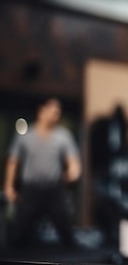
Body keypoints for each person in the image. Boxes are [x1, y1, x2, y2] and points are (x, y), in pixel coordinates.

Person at [3, 97, 82, 249]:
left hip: (54, 189)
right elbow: (13, 162)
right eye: (53, 110)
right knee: (19, 234)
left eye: (58, 111)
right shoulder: (25, 136)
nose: (57, 113)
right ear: (41, 111)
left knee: (67, 234)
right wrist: (8, 187)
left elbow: (73, 160)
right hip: (31, 190)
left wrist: (74, 171)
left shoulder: (63, 136)